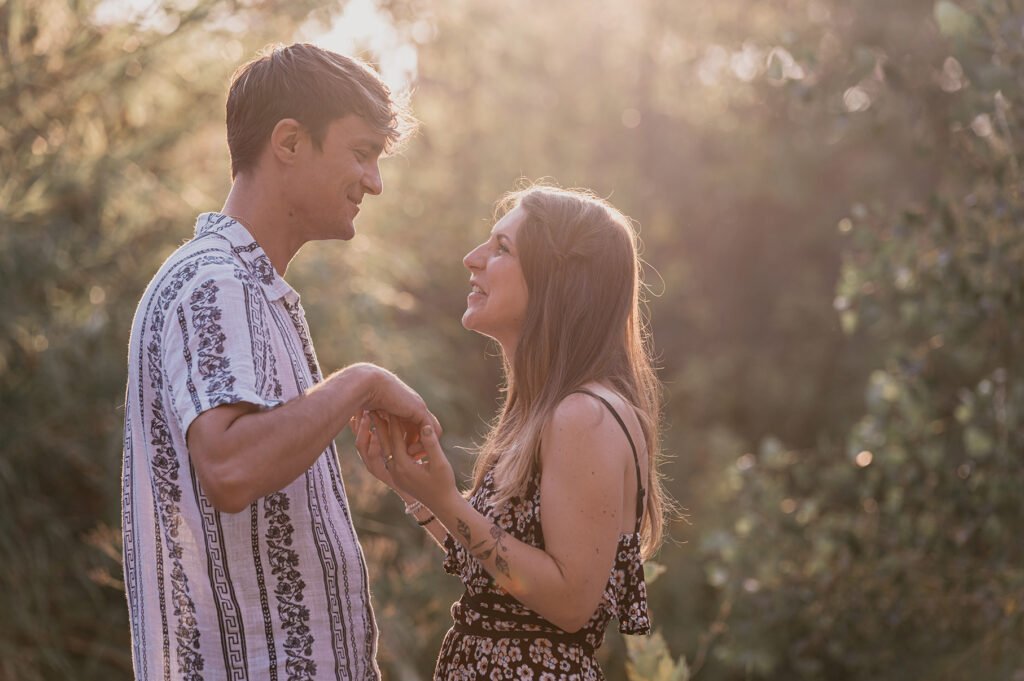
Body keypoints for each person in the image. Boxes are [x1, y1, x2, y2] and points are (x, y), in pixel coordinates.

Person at [121, 43, 437, 680]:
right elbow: (231, 468)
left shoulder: (240, 284)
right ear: (289, 141)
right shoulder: (216, 282)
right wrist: (361, 383)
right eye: (361, 153)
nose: (374, 181)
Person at [353, 184, 669, 679]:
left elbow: (569, 602)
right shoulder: (547, 411)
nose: (471, 258)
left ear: (558, 281)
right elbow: (504, 578)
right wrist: (413, 487)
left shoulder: (584, 415)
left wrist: (449, 501)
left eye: (502, 248)